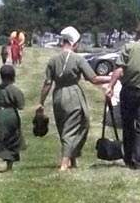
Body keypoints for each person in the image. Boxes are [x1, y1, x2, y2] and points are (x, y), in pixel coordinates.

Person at [36, 26, 110, 172]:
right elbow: (93, 79)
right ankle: (65, 163)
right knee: (77, 126)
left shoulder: (53, 60)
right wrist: (113, 77)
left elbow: (48, 83)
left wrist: (41, 102)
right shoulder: (78, 59)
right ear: (74, 43)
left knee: (64, 127)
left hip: (58, 95)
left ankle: (73, 159)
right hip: (73, 94)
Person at [106, 22, 140, 170]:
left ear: (137, 34)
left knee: (128, 125)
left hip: (129, 90)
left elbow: (119, 70)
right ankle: (139, 161)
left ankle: (128, 158)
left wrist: (110, 86)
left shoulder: (128, 47)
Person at [0, 65, 26, 172]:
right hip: (11, 115)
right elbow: (21, 106)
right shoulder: (15, 90)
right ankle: (9, 167)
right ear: (13, 76)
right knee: (13, 139)